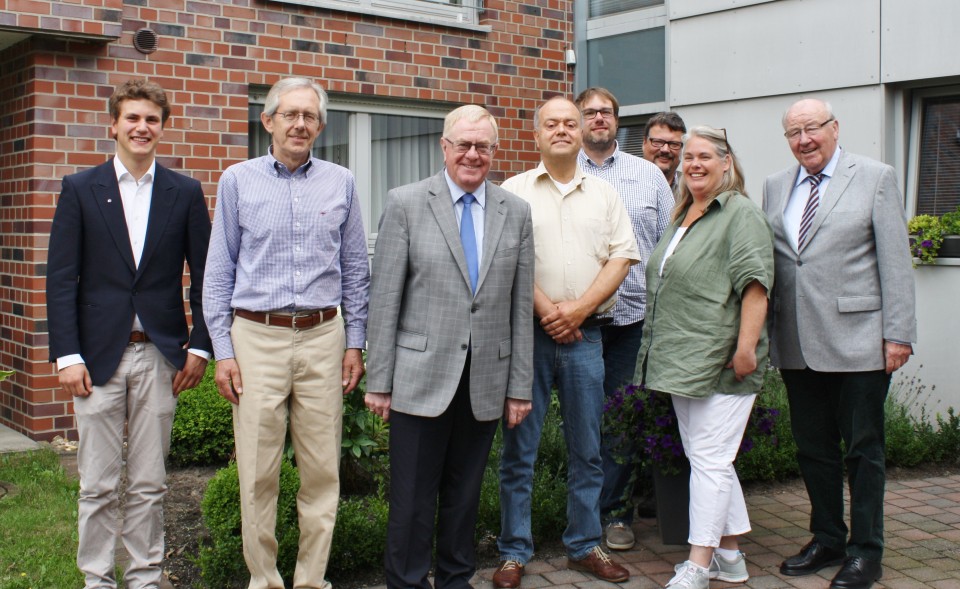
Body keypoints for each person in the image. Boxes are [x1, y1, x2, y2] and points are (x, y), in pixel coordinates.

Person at [203, 77, 370, 589]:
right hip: (257, 337)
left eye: (310, 116)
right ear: (268, 121)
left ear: (320, 126)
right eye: (290, 114)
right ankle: (265, 580)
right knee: (257, 473)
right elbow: (218, 272)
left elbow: (355, 267)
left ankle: (310, 579)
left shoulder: (340, 181)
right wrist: (223, 351)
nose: (300, 124)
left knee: (323, 471)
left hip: (324, 335)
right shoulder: (237, 180)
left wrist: (355, 342)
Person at [46, 79, 212, 589]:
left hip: (160, 356)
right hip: (96, 359)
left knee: (149, 481)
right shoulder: (80, 188)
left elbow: (206, 277)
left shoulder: (183, 192)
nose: (142, 128)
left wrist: (201, 345)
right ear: (113, 125)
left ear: (163, 127)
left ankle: (144, 575)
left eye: (152, 119)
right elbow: (61, 279)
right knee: (96, 483)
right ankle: (97, 578)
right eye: (133, 118)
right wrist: (67, 355)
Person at [365, 105, 535, 589]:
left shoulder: (515, 212)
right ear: (444, 147)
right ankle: (408, 582)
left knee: (464, 498)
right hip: (420, 376)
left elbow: (519, 306)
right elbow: (385, 298)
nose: (473, 154)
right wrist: (379, 380)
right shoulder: (406, 202)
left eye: (483, 146)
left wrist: (519, 387)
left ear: (494, 152)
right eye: (463, 144)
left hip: (485, 380)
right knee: (413, 499)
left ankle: (457, 580)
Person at [763, 98, 916, 589]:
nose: (804, 140)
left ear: (834, 128)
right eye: (793, 133)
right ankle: (827, 537)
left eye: (812, 129)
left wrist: (898, 334)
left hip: (859, 341)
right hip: (796, 343)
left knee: (863, 451)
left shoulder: (875, 176)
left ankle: (865, 552)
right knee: (813, 450)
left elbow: (896, 261)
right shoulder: (775, 187)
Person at [493, 96, 638, 588]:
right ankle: (513, 551)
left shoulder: (605, 194)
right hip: (528, 338)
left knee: (588, 448)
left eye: (570, 123)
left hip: (587, 337)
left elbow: (621, 258)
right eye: (551, 124)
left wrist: (576, 311)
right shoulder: (511, 192)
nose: (562, 130)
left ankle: (584, 545)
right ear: (535, 135)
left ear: (581, 133)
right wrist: (550, 312)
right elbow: (506, 262)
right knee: (519, 450)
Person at [636, 126, 774, 589]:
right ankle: (730, 557)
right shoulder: (684, 214)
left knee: (711, 460)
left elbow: (755, 286)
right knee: (707, 458)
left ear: (726, 163)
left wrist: (746, 350)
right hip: (683, 357)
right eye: (688, 157)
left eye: (704, 157)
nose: (694, 164)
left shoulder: (740, 214)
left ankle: (698, 564)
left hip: (722, 360)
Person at [574, 87, 675, 551]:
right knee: (580, 419)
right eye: (590, 112)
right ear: (578, 120)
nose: (599, 118)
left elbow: (669, 248)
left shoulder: (649, 175)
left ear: (617, 121)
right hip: (575, 323)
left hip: (633, 320)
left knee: (618, 419)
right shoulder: (559, 170)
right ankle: (579, 515)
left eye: (606, 112)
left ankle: (615, 514)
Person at [642, 112, 687, 189]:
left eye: (674, 144)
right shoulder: (624, 184)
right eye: (658, 142)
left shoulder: (692, 189)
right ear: (644, 143)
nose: (665, 150)